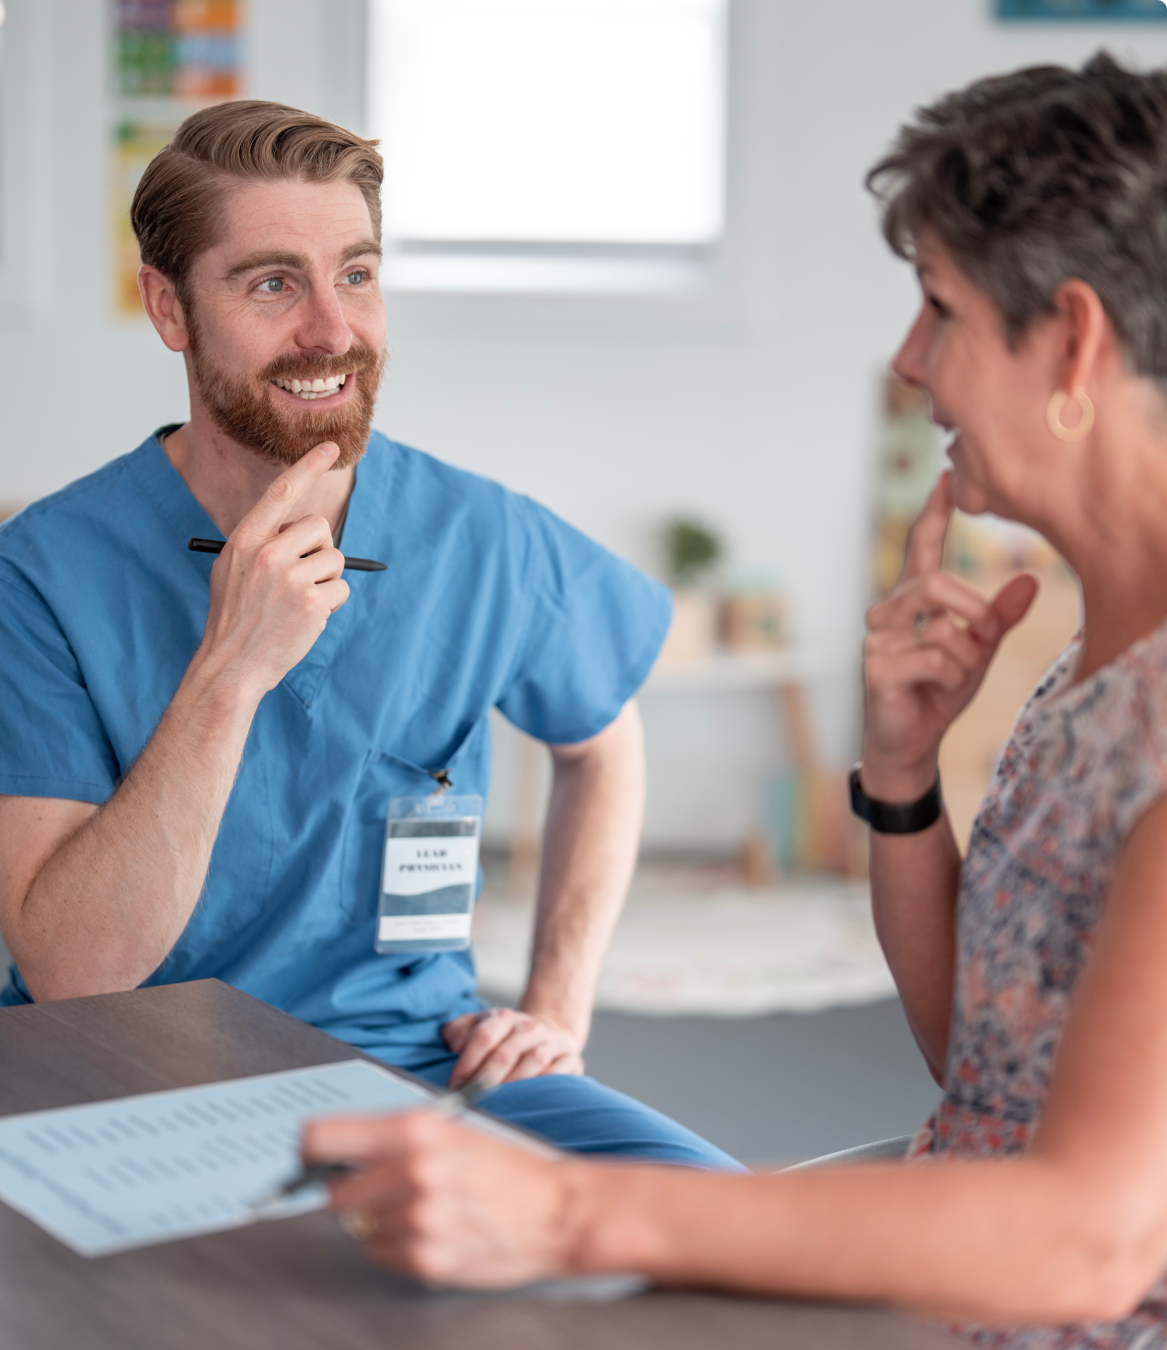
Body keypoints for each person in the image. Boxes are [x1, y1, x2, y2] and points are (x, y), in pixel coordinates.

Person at [303, 52, 1167, 1345]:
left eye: (939, 307)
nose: (909, 361)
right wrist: (904, 775)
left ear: (1076, 339)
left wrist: (571, 1215)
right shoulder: (1095, 653)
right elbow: (982, 1064)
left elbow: (1090, 1237)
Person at [0, 101, 738, 1170]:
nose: (332, 332)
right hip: (128, 1081)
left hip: (423, 1074)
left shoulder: (479, 535)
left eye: (357, 274)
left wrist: (555, 1012)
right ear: (170, 308)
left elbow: (601, 741)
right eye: (271, 282)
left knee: (715, 1216)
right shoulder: (38, 577)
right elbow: (75, 970)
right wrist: (232, 670)